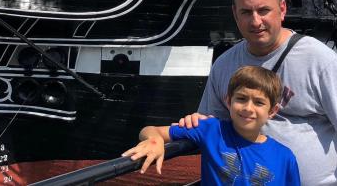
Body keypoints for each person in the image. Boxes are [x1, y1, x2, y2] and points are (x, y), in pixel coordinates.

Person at [180, 0, 337, 186]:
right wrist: (167, 136)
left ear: (282, 9)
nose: (256, 21)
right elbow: (212, 125)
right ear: (235, 14)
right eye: (246, 12)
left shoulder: (320, 61)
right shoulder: (224, 66)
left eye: (263, 10)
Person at [122, 66, 301, 185]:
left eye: (259, 103)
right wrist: (154, 141)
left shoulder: (285, 157)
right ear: (228, 101)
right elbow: (150, 130)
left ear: (272, 111)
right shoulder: (211, 130)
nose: (248, 108)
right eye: (241, 99)